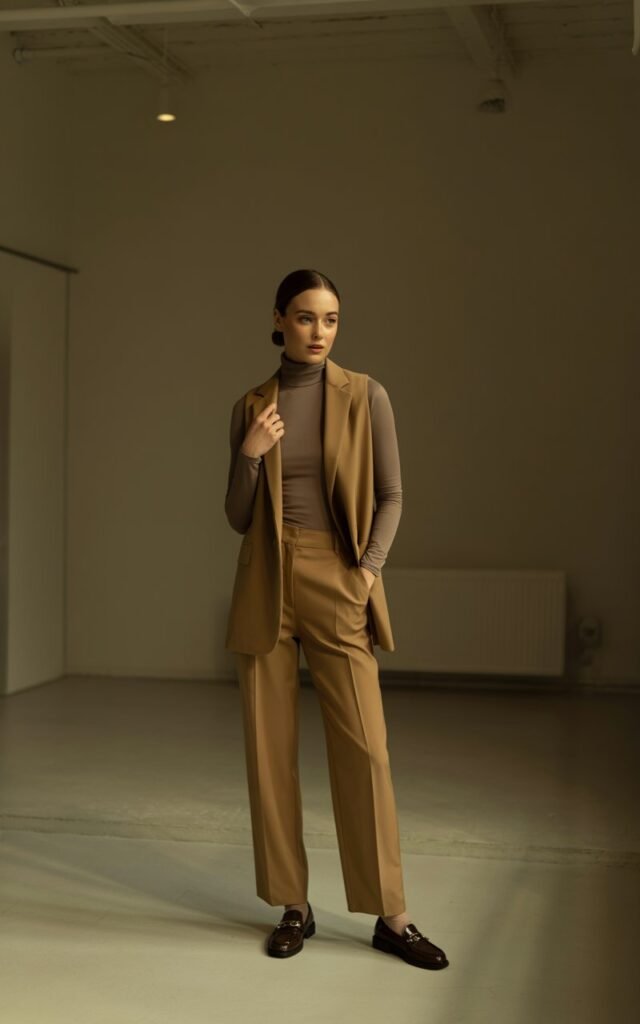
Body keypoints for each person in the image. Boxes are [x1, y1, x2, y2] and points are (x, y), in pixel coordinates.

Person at [224, 268, 448, 970]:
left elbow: (392, 494)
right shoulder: (252, 405)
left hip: (338, 576)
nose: (318, 331)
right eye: (305, 317)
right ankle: (295, 907)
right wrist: (249, 455)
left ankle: (392, 915)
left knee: (366, 750)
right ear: (278, 320)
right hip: (266, 578)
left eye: (330, 319)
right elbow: (237, 515)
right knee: (270, 754)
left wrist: (368, 570)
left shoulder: (365, 394)